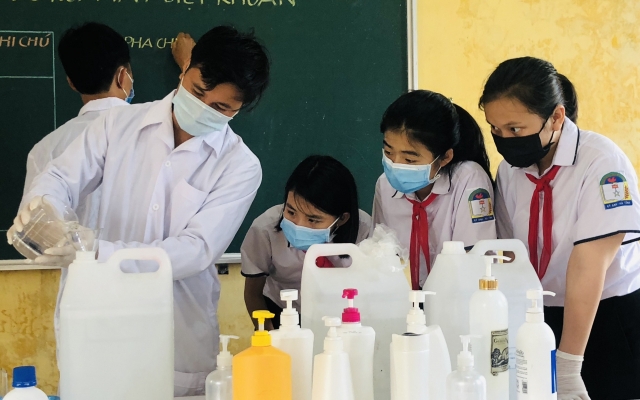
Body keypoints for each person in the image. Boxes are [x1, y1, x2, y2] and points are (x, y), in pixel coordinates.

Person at [9, 25, 271, 396]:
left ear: (239, 109)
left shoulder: (239, 166)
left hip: (179, 335)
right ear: (185, 67)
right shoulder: (117, 125)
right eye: (198, 92)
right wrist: (44, 210)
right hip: (100, 322)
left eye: (221, 107)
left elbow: (196, 249)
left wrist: (96, 252)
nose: (203, 108)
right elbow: (60, 177)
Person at [482, 56, 640, 400]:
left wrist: (567, 366)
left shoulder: (602, 163)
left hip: (606, 316)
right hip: (540, 318)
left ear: (556, 117)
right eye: (495, 129)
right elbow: (509, 254)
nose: (504, 139)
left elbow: (589, 265)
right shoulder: (510, 170)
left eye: (514, 129)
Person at [373, 90, 496, 290]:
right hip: (404, 300)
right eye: (388, 152)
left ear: (445, 157)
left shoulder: (468, 179)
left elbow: (474, 259)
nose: (395, 164)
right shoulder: (385, 185)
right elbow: (381, 253)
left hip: (456, 297)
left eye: (410, 159)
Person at [241, 155, 372, 330]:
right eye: (291, 212)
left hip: (341, 311)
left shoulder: (364, 231)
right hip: (283, 310)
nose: (298, 225)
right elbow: (253, 293)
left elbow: (371, 290)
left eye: (313, 220)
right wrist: (268, 335)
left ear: (342, 219)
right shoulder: (265, 229)